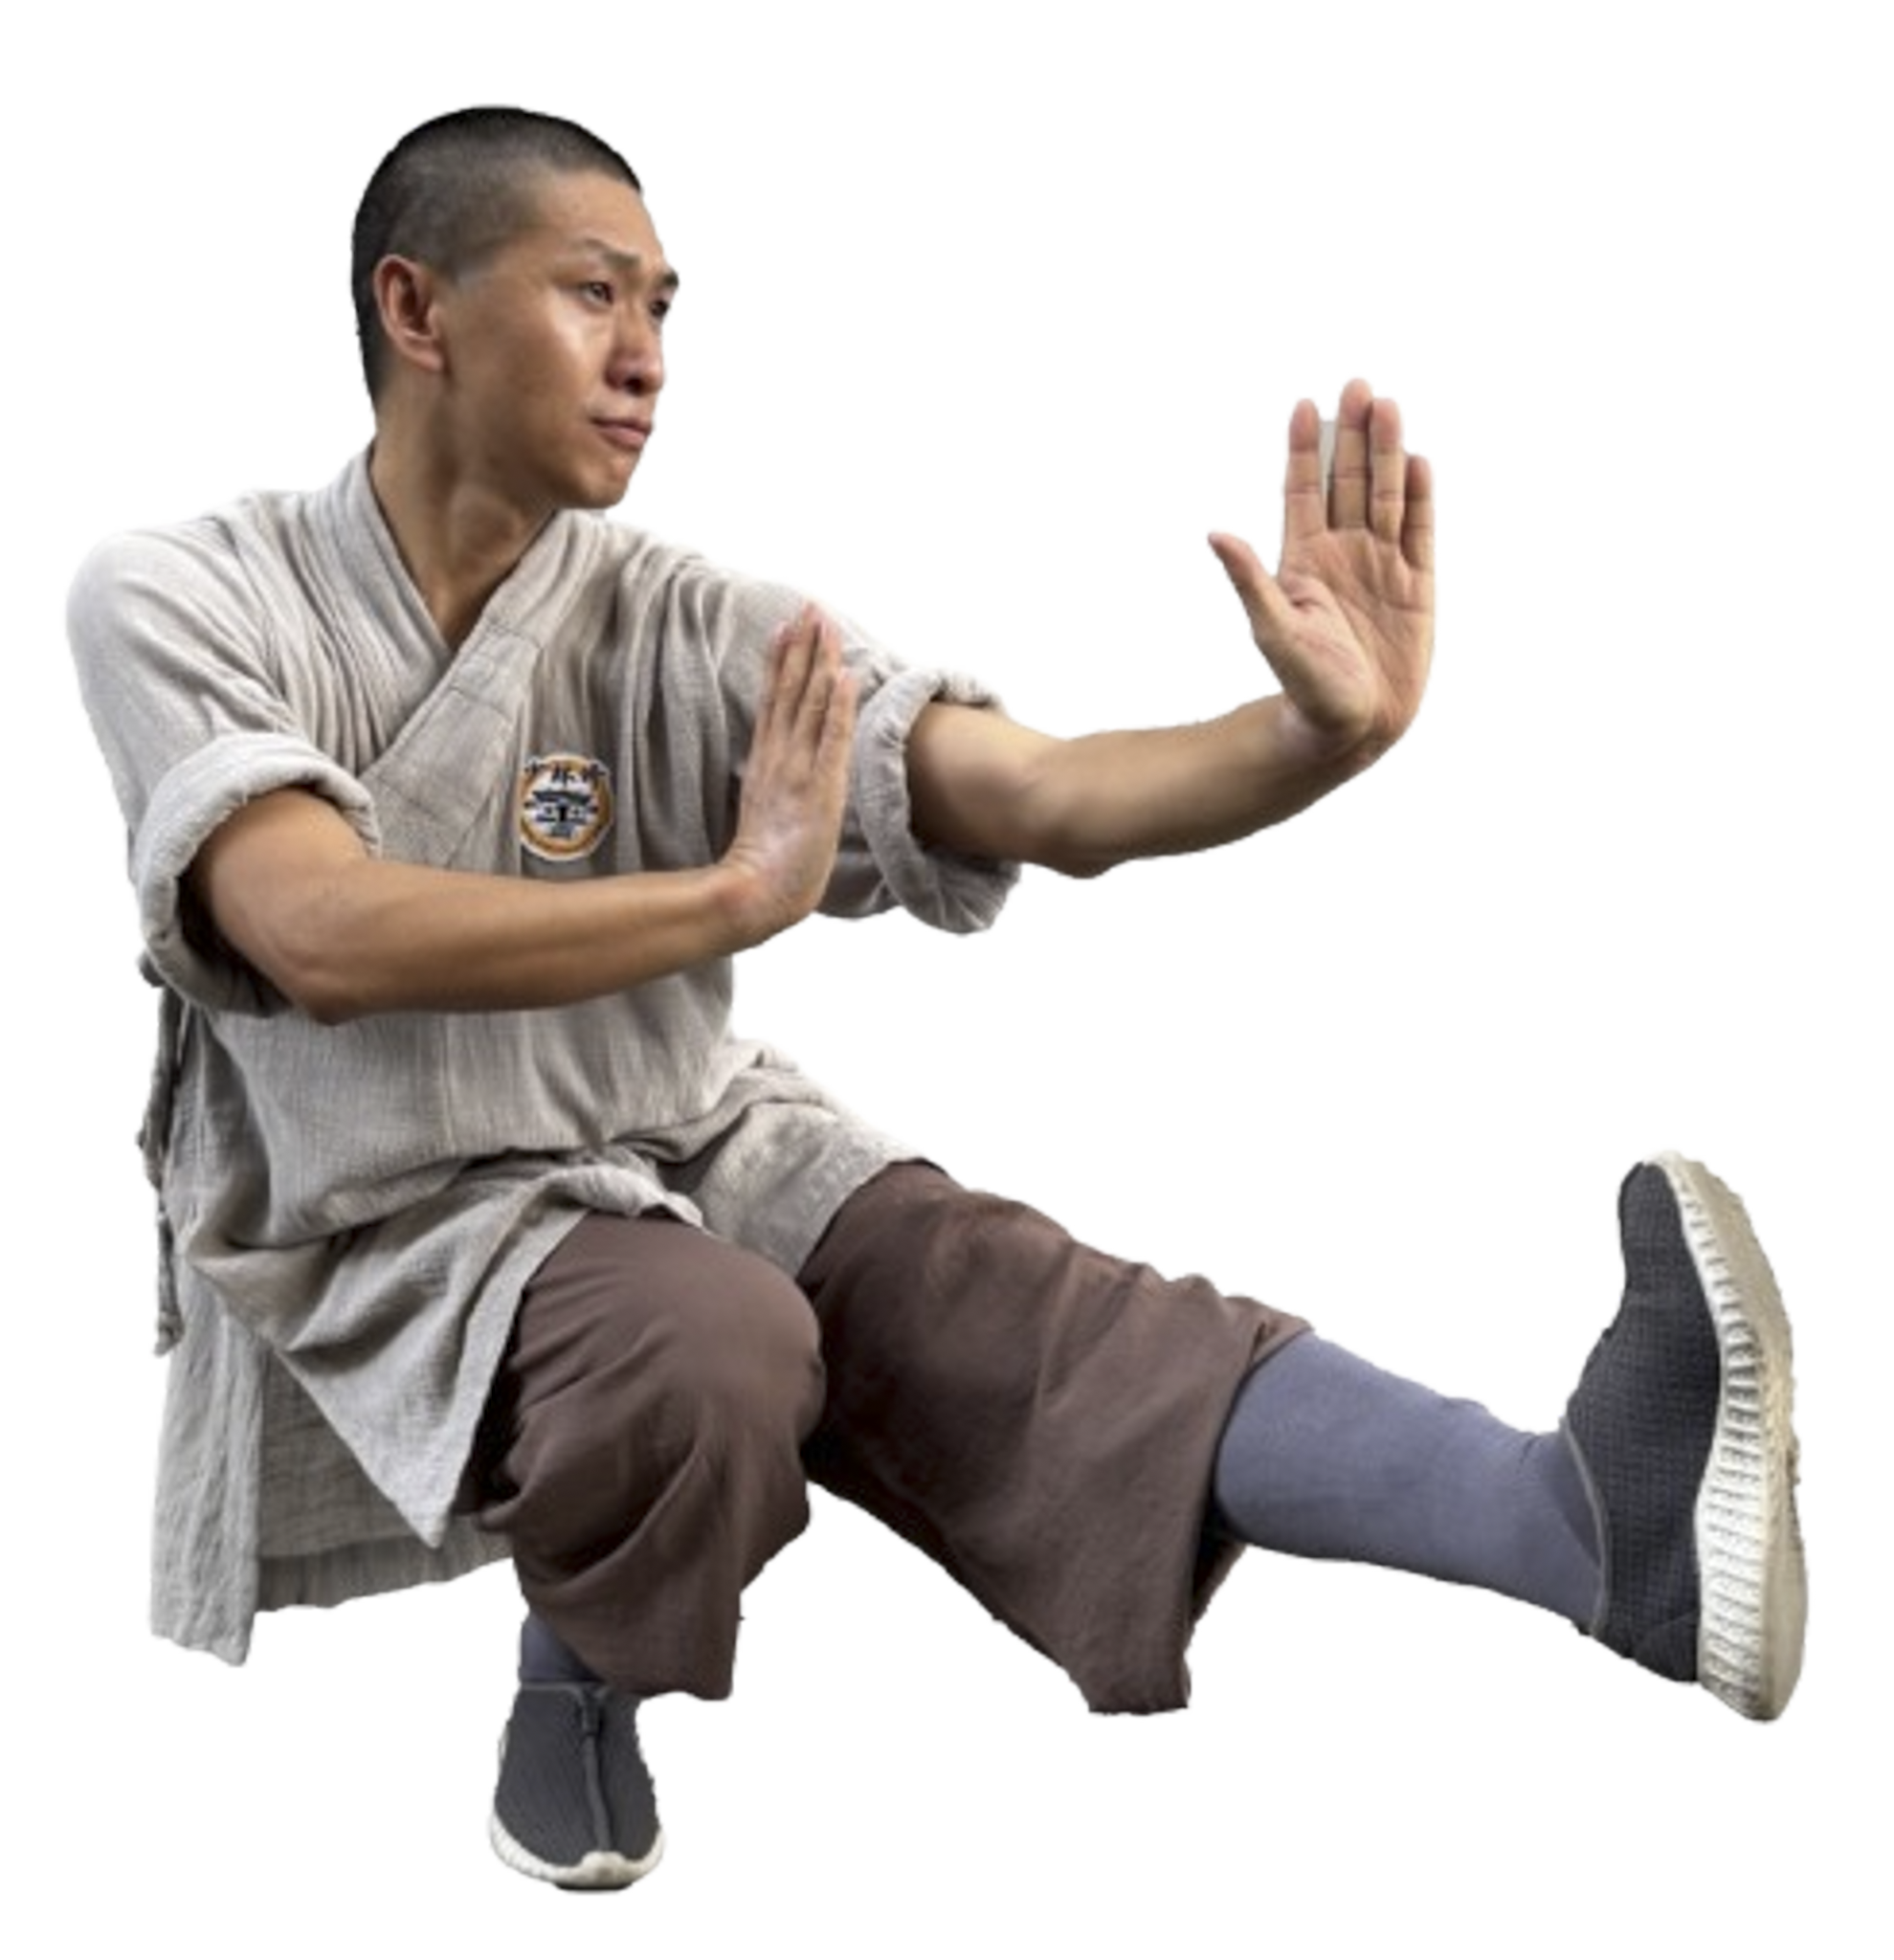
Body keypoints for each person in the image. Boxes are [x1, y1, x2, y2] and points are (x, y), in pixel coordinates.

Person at [65, 108, 1807, 1893]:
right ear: (416, 309)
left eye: (662, 305)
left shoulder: (683, 624)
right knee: (707, 1340)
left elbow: (1024, 789)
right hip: (391, 1217)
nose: (647, 356)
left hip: (681, 1143)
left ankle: (1581, 1530)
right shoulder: (182, 597)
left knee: (1050, 1321)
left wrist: (1308, 737)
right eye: (594, 295)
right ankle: (578, 1684)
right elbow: (315, 930)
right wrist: (730, 897)